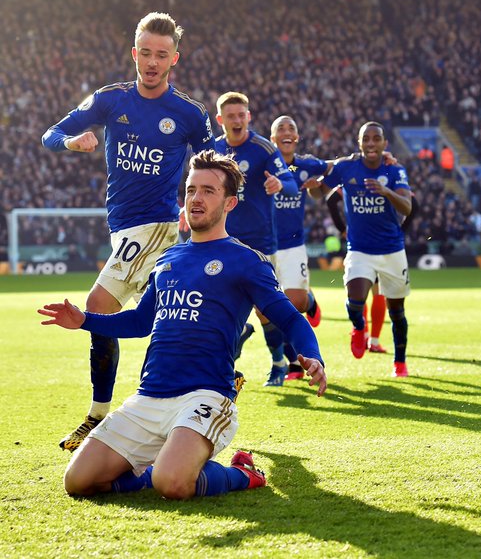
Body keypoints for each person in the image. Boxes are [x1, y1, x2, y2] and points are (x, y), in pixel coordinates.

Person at [38, 150, 326, 500]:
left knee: (173, 484)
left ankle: (241, 472)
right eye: (191, 190)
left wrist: (311, 356)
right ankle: (153, 469)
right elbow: (140, 321)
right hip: (149, 397)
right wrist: (84, 320)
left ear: (230, 203)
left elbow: (290, 318)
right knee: (78, 481)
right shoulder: (168, 259)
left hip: (205, 395)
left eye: (208, 190)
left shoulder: (246, 261)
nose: (196, 198)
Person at [42, 12, 216, 451]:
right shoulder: (110, 100)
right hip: (122, 229)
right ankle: (225, 352)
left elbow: (213, 163)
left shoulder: (189, 113)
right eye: (145, 52)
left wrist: (195, 202)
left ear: (174, 59)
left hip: (156, 226)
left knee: (99, 307)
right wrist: (71, 142)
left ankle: (98, 416)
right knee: (170, 318)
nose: (152, 62)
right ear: (133, 52)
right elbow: (51, 133)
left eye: (162, 55)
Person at [310, 121, 412, 377]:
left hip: (391, 250)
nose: (371, 143)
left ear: (384, 143)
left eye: (376, 138)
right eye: (366, 139)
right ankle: (359, 328)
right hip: (359, 250)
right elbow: (319, 193)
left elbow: (407, 207)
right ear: (359, 143)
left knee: (397, 311)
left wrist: (387, 192)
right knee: (355, 302)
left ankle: (400, 362)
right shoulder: (347, 167)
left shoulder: (394, 170)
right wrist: (312, 184)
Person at [212, 92, 298, 386]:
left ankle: (278, 363)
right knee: (217, 302)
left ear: (248, 116)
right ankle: (228, 355)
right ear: (220, 120)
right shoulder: (214, 150)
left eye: (241, 115)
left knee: (264, 307)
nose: (237, 121)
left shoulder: (262, 148)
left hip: (260, 243)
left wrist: (279, 182)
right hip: (223, 240)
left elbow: (290, 182)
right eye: (231, 116)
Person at [269, 115, 330, 380]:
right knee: (271, 309)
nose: (286, 131)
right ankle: (293, 362)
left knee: (294, 304)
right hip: (265, 245)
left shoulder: (306, 165)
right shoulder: (264, 162)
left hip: (293, 245)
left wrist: (320, 186)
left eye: (291, 128)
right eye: (280, 128)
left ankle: (311, 299)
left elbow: (333, 168)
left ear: (297, 137)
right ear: (272, 139)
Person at [326, 183, 419, 355]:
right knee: (375, 294)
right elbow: (414, 204)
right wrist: (401, 231)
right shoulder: (386, 175)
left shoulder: (355, 175)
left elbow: (332, 200)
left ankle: (366, 335)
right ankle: (371, 339)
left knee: (367, 294)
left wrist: (342, 229)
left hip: (369, 245)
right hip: (374, 246)